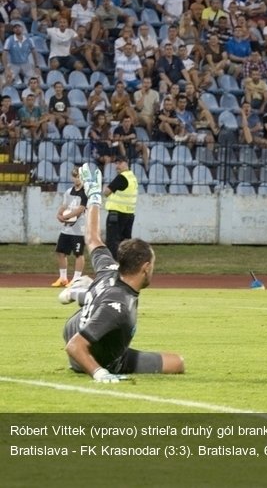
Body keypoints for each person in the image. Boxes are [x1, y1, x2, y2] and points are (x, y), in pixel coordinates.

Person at [62, 163, 184, 382]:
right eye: (153, 265)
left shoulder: (110, 268)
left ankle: (81, 294)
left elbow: (91, 237)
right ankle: (82, 295)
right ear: (145, 268)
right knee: (178, 363)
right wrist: (100, 373)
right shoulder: (118, 305)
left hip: (77, 328)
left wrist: (94, 198)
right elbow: (74, 346)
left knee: (176, 362)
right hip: (95, 357)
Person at [53, 166, 88, 287]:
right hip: (67, 229)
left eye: (78, 177)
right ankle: (63, 278)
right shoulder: (69, 192)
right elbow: (64, 205)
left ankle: (76, 279)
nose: (76, 179)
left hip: (79, 229)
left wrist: (66, 217)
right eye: (75, 176)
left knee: (79, 254)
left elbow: (81, 209)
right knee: (61, 252)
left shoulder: (85, 192)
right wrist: (59, 214)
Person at [103, 156, 139, 258]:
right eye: (116, 164)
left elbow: (106, 192)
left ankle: (114, 265)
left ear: (125, 163)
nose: (116, 167)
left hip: (117, 214)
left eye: (119, 163)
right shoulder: (133, 177)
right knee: (126, 242)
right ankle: (127, 266)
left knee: (112, 242)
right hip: (129, 214)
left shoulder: (121, 177)